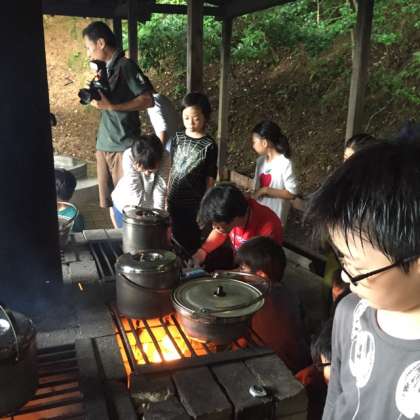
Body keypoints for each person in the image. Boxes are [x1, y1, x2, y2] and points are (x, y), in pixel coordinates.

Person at [306, 138, 420, 420]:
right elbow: (336, 399)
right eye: (341, 259)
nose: (346, 277)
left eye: (356, 267)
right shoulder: (349, 313)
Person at [82, 21, 154, 222]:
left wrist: (113, 106)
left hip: (123, 146)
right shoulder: (105, 70)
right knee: (110, 202)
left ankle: (129, 239)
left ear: (101, 43)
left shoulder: (125, 66)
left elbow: (148, 99)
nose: (88, 54)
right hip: (104, 144)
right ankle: (117, 236)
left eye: (88, 47)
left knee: (128, 205)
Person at [236, 236, 311, 374]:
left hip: (275, 369)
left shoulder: (253, 299)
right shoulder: (290, 294)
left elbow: (240, 339)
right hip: (302, 363)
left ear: (261, 275)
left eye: (243, 268)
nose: (239, 271)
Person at [167, 92, 218, 254]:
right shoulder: (177, 137)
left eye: (195, 118)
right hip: (174, 197)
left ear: (205, 117)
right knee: (171, 236)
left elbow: (210, 177)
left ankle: (192, 265)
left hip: (194, 202)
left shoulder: (209, 144)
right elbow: (172, 167)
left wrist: (205, 204)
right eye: (186, 118)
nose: (190, 122)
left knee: (190, 240)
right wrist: (167, 193)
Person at [193, 183, 283, 266]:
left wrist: (224, 274)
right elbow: (220, 232)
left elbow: (260, 270)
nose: (213, 226)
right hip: (240, 263)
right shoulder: (235, 209)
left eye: (217, 225)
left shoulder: (269, 229)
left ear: (234, 218)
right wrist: (202, 252)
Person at [111, 134, 171, 228]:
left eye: (150, 171)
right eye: (143, 170)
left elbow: (160, 188)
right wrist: (139, 218)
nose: (147, 173)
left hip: (150, 204)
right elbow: (135, 190)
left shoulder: (165, 156)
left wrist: (158, 217)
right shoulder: (129, 155)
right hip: (127, 203)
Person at [252, 120, 298, 226]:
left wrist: (265, 190)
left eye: (254, 142)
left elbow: (292, 193)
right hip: (258, 215)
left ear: (264, 143)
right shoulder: (260, 161)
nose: (253, 146)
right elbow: (256, 189)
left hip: (275, 219)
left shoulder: (285, 163)